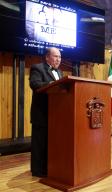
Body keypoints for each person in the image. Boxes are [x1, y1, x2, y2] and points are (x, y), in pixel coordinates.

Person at [29, 47, 63, 177]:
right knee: (39, 144)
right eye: (55, 56)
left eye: (60, 57)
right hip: (41, 113)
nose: (58, 59)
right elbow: (35, 84)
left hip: (55, 114)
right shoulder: (37, 68)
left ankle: (50, 168)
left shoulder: (59, 72)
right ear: (47, 57)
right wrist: (51, 84)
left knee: (50, 143)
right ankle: (38, 171)